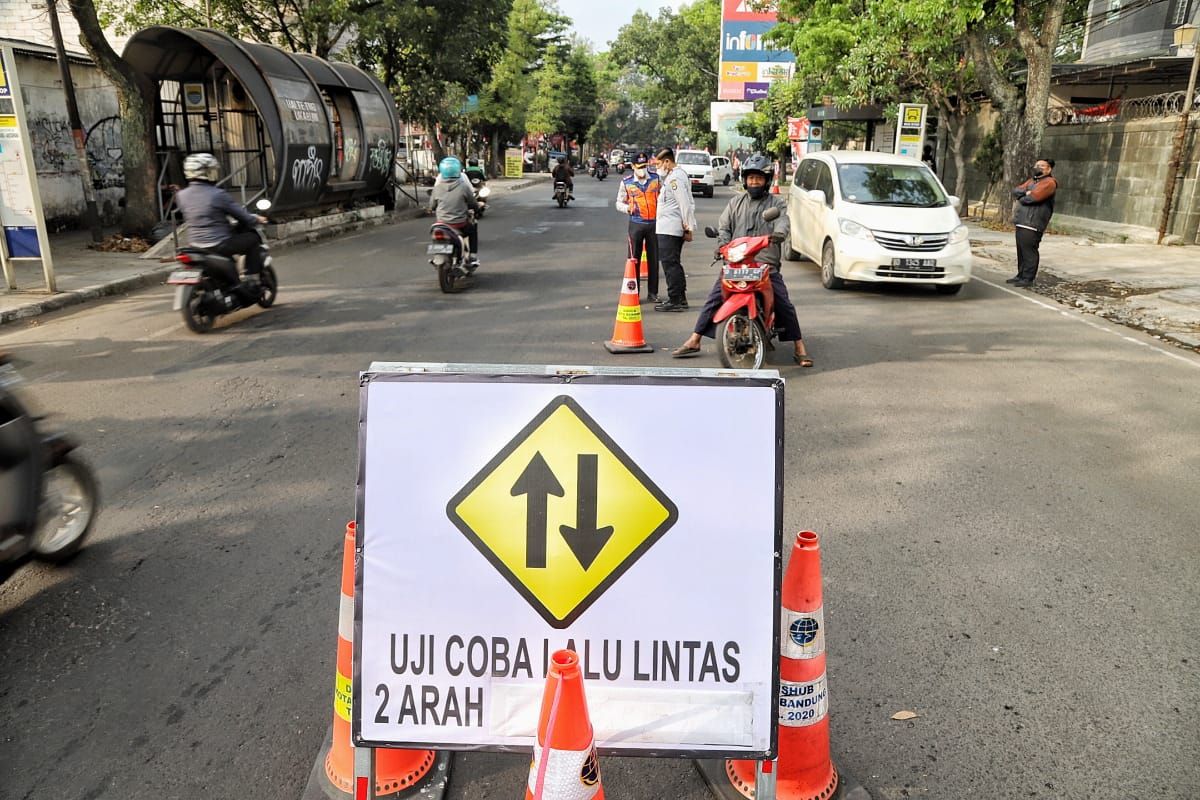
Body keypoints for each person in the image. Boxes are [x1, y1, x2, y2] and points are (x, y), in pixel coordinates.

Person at [671, 153, 812, 367]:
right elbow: (724, 228)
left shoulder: (777, 203)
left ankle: (799, 346)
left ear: (766, 180)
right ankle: (695, 339)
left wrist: (777, 235)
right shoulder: (735, 203)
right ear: (744, 180)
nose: (754, 182)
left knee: (784, 302)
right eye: (750, 178)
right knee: (714, 297)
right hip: (737, 264)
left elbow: (783, 223)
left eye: (758, 178)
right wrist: (722, 246)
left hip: (765, 265)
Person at [175, 152, 268, 301]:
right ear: (206, 173)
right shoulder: (218, 194)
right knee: (253, 238)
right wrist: (255, 218)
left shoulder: (181, 195)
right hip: (218, 244)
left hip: (195, 245)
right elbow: (243, 216)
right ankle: (251, 278)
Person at [652, 148, 697, 312]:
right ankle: (680, 297)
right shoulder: (673, 176)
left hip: (671, 228)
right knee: (673, 263)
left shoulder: (675, 178)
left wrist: (689, 227)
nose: (658, 167)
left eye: (659, 164)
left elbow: (684, 203)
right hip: (668, 227)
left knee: (670, 264)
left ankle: (675, 299)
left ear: (667, 162)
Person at [615, 152, 663, 302]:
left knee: (653, 260)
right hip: (636, 224)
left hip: (654, 224)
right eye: (639, 167)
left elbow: (663, 198)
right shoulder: (627, 182)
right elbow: (618, 203)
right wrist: (627, 208)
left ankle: (653, 293)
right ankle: (633, 292)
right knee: (633, 259)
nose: (642, 169)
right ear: (633, 167)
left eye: (644, 166)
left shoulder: (656, 179)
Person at [1009, 157, 1057, 288]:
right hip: (1022, 221)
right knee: (1021, 250)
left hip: (1032, 223)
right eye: (1037, 165)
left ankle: (1028, 278)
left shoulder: (1049, 183)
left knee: (1029, 251)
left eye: (1042, 166)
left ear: (1049, 169)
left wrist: (1025, 195)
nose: (1038, 167)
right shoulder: (1032, 181)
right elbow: (1016, 190)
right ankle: (1020, 275)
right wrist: (1026, 192)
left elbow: (1032, 198)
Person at [428, 156, 480, 269]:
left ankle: (438, 256)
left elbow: (431, 206)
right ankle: (473, 256)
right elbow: (473, 204)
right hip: (460, 224)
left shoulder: (437, 188)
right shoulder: (464, 187)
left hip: (441, 224)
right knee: (473, 229)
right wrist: (476, 209)